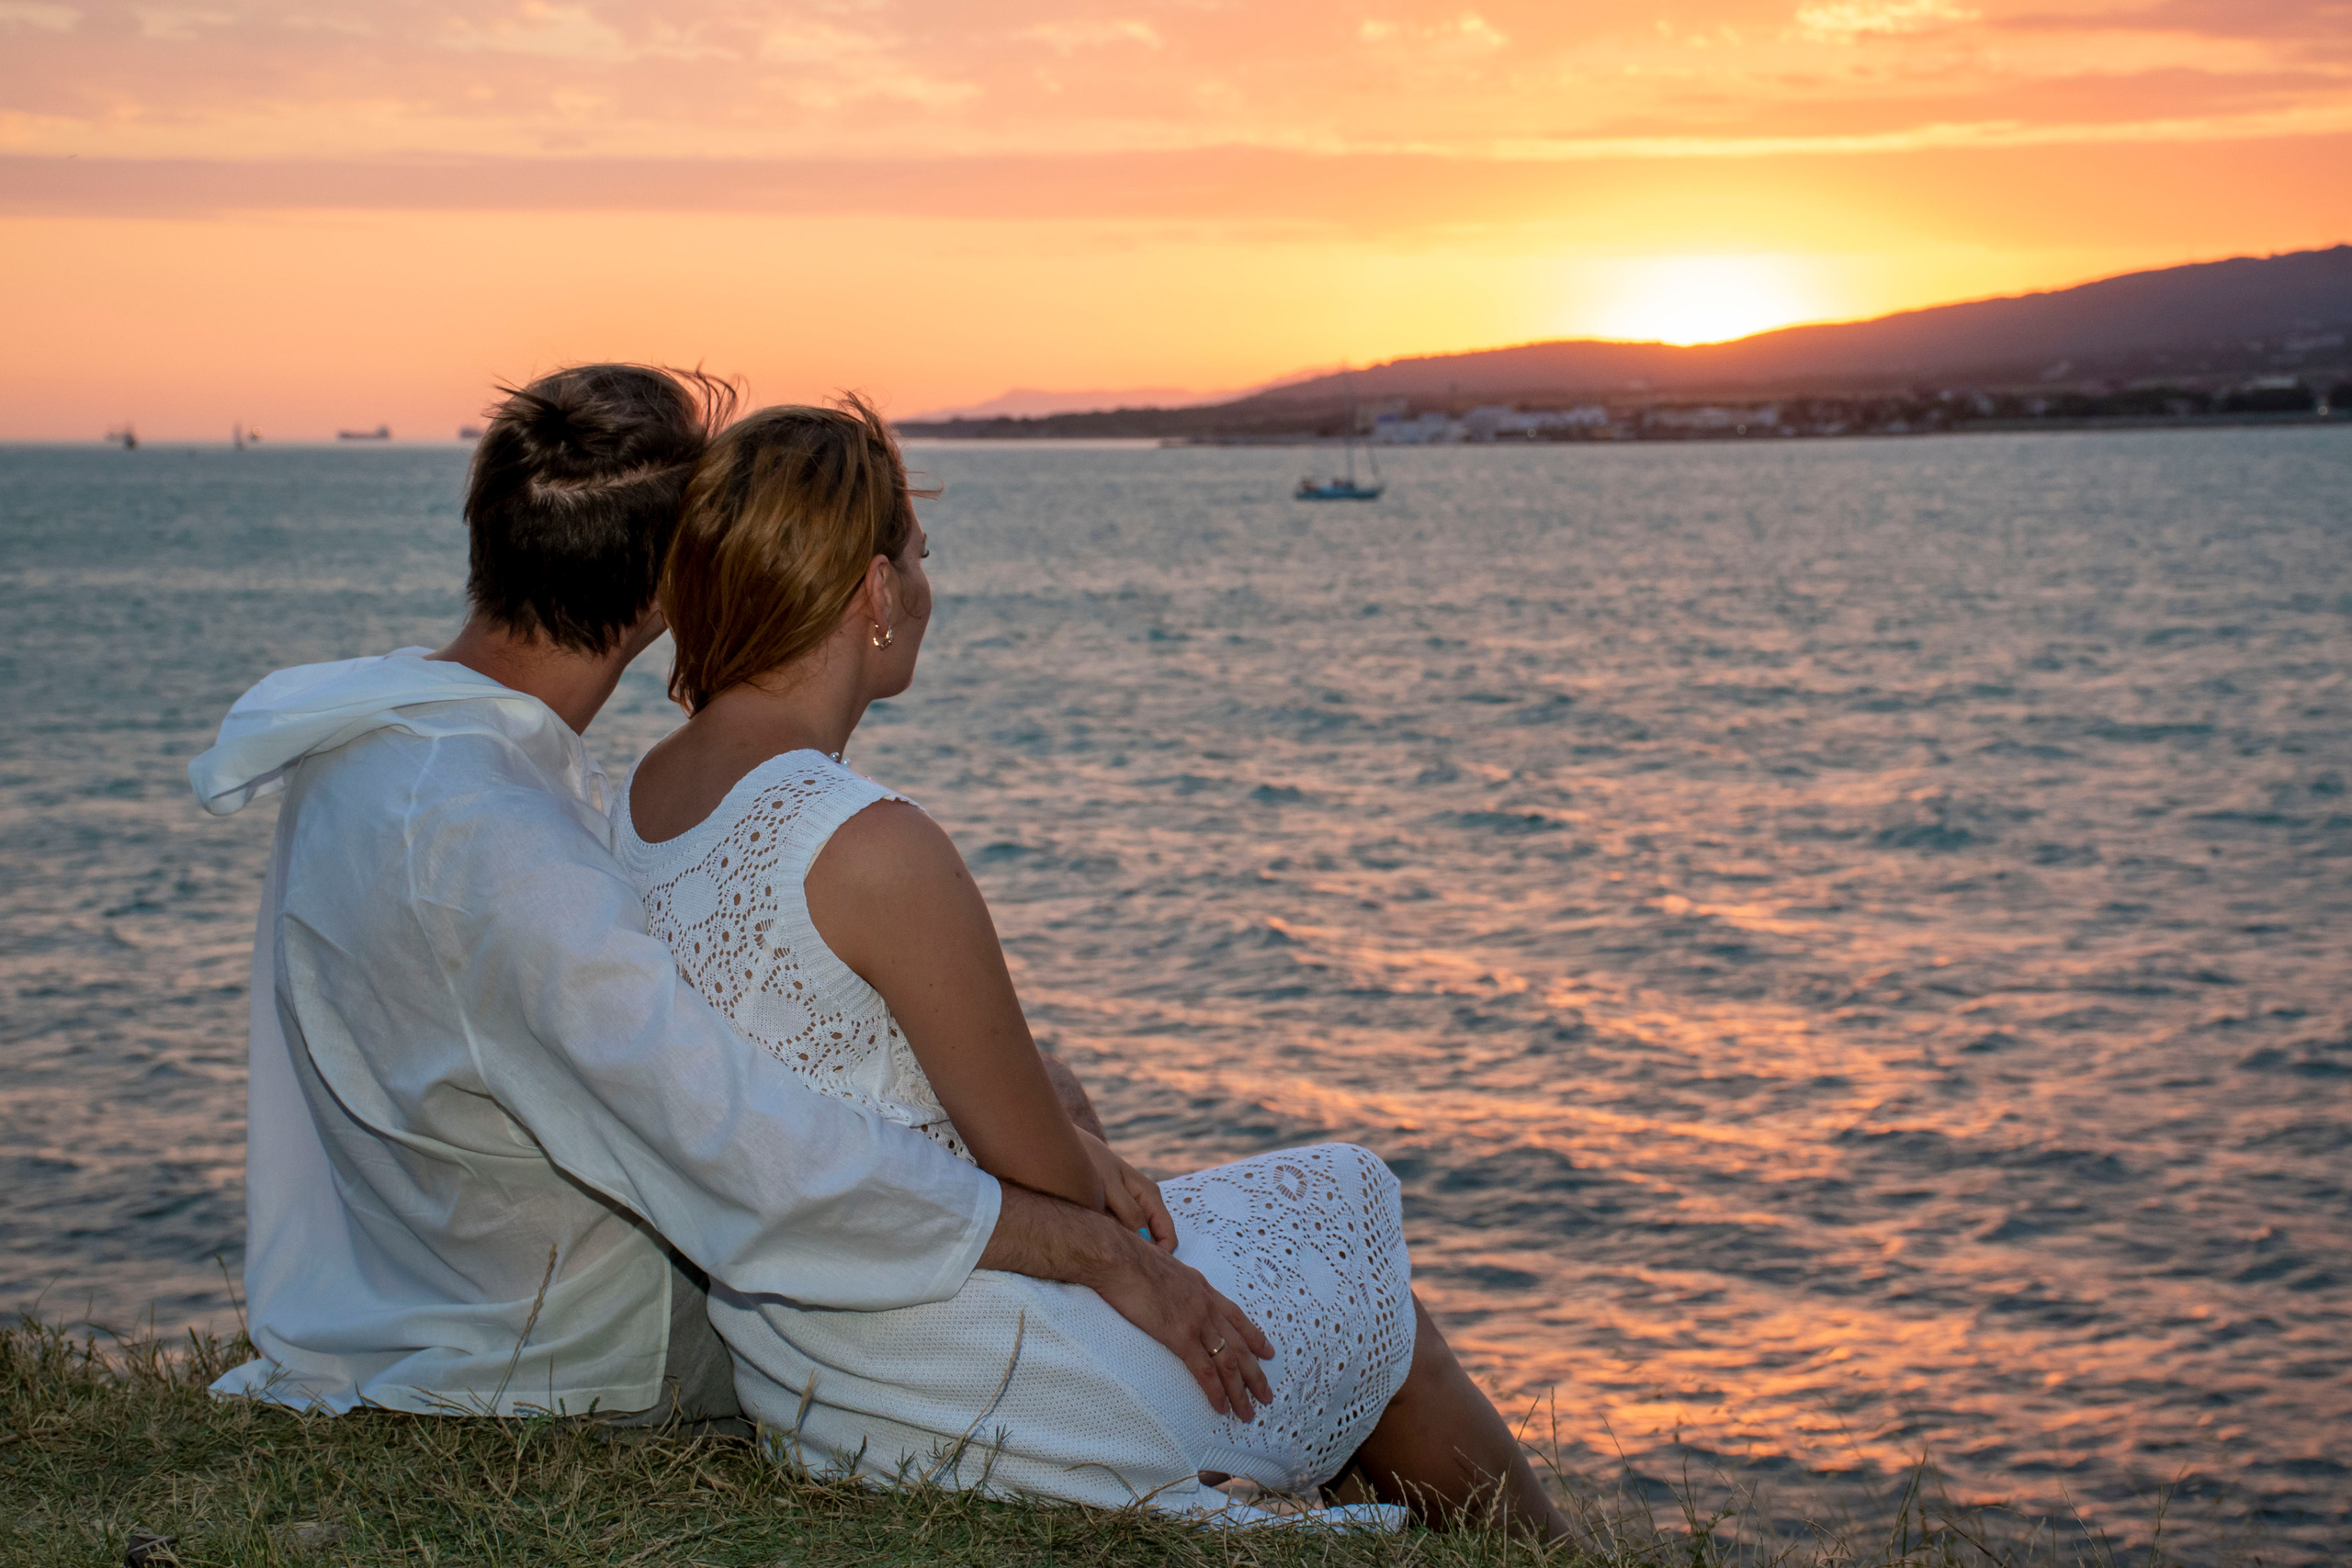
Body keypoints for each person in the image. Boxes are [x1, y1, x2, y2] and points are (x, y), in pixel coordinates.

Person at [189, 365, 1264, 1437]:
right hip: (585, 1349)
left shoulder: (374, 753)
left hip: (433, 1281)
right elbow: (754, 1155)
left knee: (1036, 1098)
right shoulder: (494, 841)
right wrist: (1093, 1249)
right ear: (674, 580)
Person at [616, 395, 1571, 1535]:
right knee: (1368, 1288)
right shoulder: (866, 844)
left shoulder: (644, 798)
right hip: (958, 1363)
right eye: (920, 558)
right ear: (874, 592)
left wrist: (1059, 1116)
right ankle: (1554, 1556)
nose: (925, 587)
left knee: (1299, 1265)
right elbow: (1046, 1174)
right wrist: (1079, 1145)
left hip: (805, 1366)